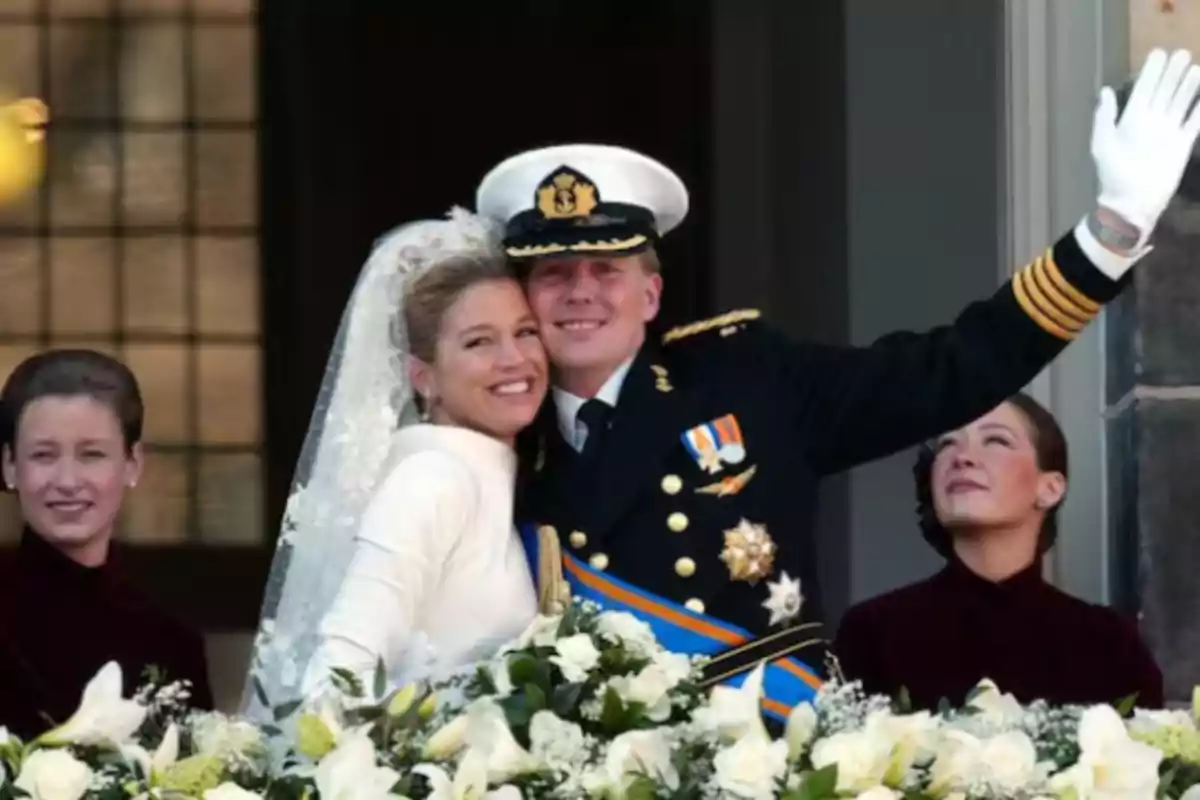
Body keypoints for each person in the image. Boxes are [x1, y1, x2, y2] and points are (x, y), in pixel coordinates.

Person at [472, 48, 1200, 720]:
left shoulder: (747, 379)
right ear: (524, 297)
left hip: (754, 754)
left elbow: (949, 367)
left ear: (652, 296)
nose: (581, 294)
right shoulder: (487, 431)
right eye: (554, 275)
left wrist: (1110, 233)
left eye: (607, 271)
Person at [241, 208, 549, 715]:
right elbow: (334, 680)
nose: (515, 359)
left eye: (526, 332)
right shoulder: (432, 480)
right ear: (422, 376)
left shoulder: (487, 474)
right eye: (479, 342)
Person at [832, 393, 1164, 710]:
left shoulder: (1108, 644)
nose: (962, 457)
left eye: (996, 440)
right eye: (948, 444)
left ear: (1049, 488)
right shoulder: (872, 633)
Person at [0, 349, 213, 739]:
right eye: (43, 455)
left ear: (132, 463)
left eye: (92, 455)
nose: (66, 480)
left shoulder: (171, 641)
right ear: (10, 466)